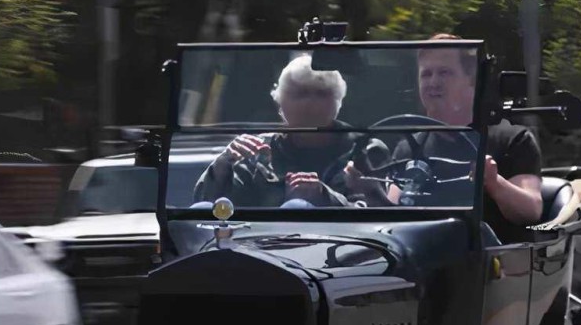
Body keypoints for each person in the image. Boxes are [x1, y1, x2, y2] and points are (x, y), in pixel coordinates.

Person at [360, 34, 545, 242]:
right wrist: (369, 188)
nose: (433, 82)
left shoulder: (513, 140)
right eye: (426, 74)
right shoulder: (409, 147)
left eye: (444, 73)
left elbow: (531, 209)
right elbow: (395, 218)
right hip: (422, 260)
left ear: (471, 81)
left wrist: (494, 182)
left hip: (492, 263)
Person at [192, 54, 361, 208]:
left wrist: (324, 196)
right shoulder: (257, 149)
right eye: (300, 94)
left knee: (297, 207)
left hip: (341, 239)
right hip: (259, 239)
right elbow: (210, 206)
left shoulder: (363, 149)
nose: (311, 103)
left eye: (322, 94)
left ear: (337, 102)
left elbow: (375, 213)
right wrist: (223, 166)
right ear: (280, 102)